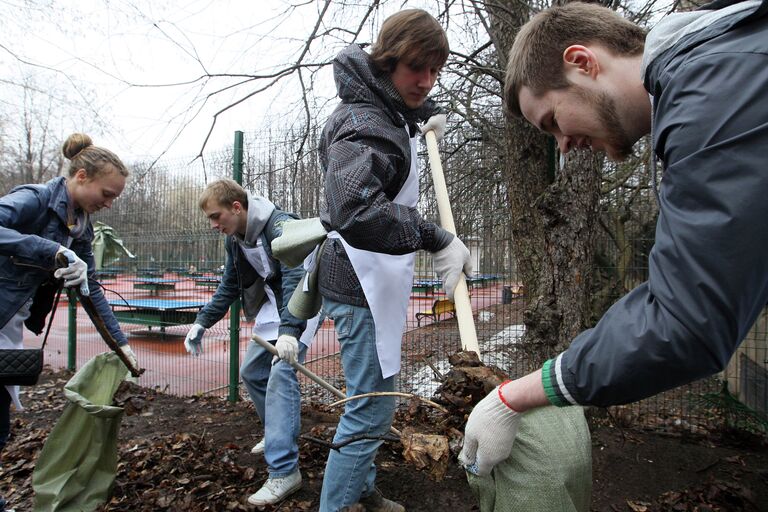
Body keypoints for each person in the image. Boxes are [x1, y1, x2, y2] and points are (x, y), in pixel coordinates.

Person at [459, 0, 768, 477]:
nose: (563, 145)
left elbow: (685, 322)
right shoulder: (724, 66)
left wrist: (512, 397)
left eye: (553, 122)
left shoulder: (713, 96)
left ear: (582, 62)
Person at [317, 9, 472, 512]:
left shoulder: (381, 108)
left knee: (376, 400)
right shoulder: (366, 123)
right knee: (370, 411)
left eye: (434, 71)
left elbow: (396, 124)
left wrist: (418, 122)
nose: (425, 82)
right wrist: (435, 238)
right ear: (387, 63)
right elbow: (355, 208)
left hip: (373, 279)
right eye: (414, 70)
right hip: (358, 281)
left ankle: (361, 491)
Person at [0, 133, 137, 511]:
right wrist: (52, 251)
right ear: (80, 176)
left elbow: (91, 286)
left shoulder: (82, 225)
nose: (109, 204)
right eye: (107, 194)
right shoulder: (34, 200)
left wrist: (120, 343)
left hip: (8, 326)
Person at [183, 178, 320, 506]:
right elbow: (230, 285)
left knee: (281, 375)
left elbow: (294, 276)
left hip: (304, 300)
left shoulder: (280, 224)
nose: (213, 224)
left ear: (237, 207)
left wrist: (290, 330)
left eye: (216, 217)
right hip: (276, 304)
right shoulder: (235, 240)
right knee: (252, 372)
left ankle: (284, 470)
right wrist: (201, 322)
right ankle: (278, 432)